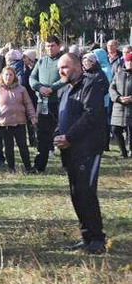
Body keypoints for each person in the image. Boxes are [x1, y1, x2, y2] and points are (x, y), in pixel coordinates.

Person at [54, 53, 108, 254]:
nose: (61, 71)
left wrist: (69, 137)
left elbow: (91, 116)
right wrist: (58, 136)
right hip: (70, 151)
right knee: (76, 194)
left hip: (86, 149)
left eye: (65, 67)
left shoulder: (90, 85)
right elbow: (61, 117)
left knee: (86, 193)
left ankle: (97, 238)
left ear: (77, 67)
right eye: (59, 68)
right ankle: (86, 236)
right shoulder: (66, 90)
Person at [29, 36, 67, 172]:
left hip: (59, 102)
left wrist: (52, 88)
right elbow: (32, 78)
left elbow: (65, 78)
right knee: (42, 134)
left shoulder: (63, 60)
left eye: (52, 45)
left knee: (62, 132)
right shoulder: (41, 62)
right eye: (47, 46)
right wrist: (39, 87)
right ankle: (40, 165)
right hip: (42, 103)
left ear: (58, 46)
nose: (50, 48)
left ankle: (67, 163)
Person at [0, 66, 37, 173]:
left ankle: (28, 167)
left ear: (14, 77)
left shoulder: (22, 89)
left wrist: (33, 117)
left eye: (11, 75)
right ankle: (11, 168)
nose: (8, 77)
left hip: (20, 122)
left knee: (23, 146)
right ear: (2, 76)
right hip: (4, 123)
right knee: (8, 147)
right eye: (6, 75)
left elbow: (28, 104)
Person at [109, 53, 132, 158]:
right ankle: (123, 152)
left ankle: (131, 150)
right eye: (128, 61)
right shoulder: (119, 73)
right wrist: (118, 98)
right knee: (115, 129)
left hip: (130, 106)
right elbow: (111, 88)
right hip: (119, 107)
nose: (130, 63)